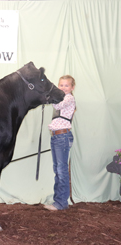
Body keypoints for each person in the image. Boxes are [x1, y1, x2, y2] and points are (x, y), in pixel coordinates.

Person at [44, 75, 76, 211]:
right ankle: (59, 201)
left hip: (62, 136)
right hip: (57, 136)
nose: (63, 87)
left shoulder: (69, 98)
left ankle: (61, 203)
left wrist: (50, 96)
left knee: (61, 170)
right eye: (61, 85)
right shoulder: (62, 96)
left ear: (72, 88)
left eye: (66, 85)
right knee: (58, 169)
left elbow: (58, 104)